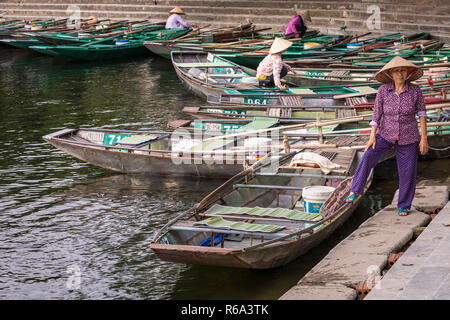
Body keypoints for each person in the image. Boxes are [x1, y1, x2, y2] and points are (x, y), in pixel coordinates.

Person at [345, 56, 429, 216]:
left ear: (408, 72)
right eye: (396, 71)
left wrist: (424, 138)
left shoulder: (415, 91)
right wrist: (372, 137)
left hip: (409, 135)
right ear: (390, 73)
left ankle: (404, 205)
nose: (400, 74)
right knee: (368, 156)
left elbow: (422, 114)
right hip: (385, 133)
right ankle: (355, 190)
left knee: (407, 171)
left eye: (402, 70)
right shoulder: (384, 91)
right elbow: (376, 115)